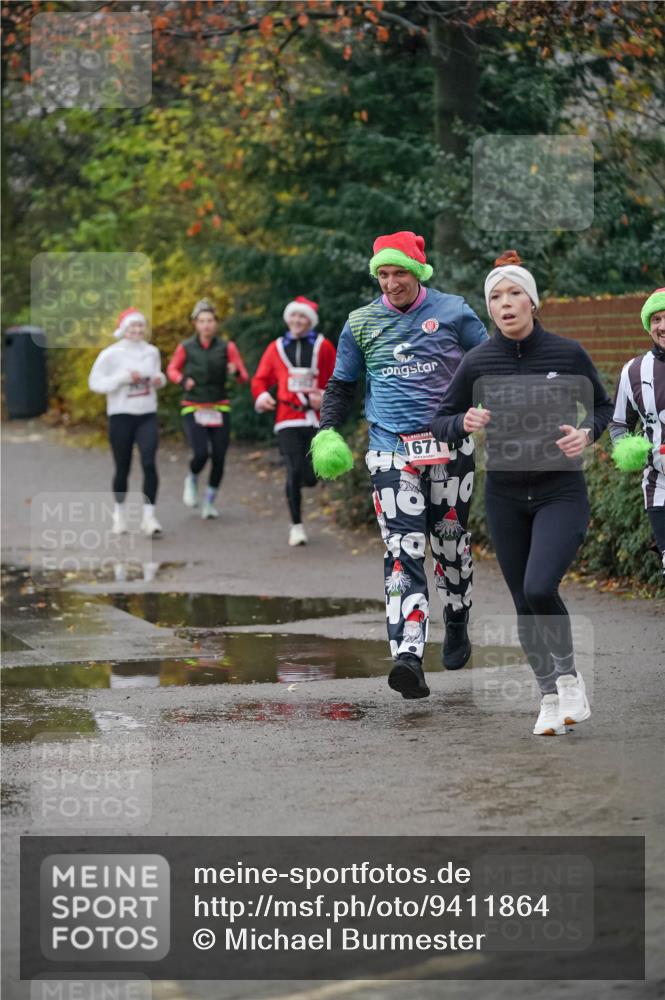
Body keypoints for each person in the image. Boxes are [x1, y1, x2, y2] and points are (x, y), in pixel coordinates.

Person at [431, 250, 614, 736]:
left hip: (560, 491)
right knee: (522, 602)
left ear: (532, 302)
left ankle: (570, 679)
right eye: (496, 296)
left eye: (514, 294)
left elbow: (602, 405)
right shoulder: (478, 361)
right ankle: (549, 696)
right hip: (506, 496)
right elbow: (441, 420)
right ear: (489, 308)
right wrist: (463, 422)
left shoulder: (567, 353)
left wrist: (588, 433)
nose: (505, 303)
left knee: (539, 587)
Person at [313, 231, 488, 699]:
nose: (391, 283)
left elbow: (488, 363)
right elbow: (342, 384)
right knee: (403, 546)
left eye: (399, 273)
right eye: (383, 275)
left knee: (449, 545)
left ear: (418, 273)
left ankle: (456, 617)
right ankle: (409, 653)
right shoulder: (361, 322)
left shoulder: (453, 312)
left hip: (450, 447)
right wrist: (328, 429)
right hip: (390, 449)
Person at [252, 296, 337, 546]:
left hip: (314, 418)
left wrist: (324, 397)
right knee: (293, 470)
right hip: (287, 417)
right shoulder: (276, 347)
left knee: (310, 476)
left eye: (303, 317)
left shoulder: (323, 346)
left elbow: (337, 379)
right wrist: (262, 396)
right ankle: (297, 526)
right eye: (294, 316)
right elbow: (260, 380)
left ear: (309, 321)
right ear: (288, 318)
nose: (297, 321)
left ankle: (305, 484)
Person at [167, 299, 248, 519]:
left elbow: (243, 376)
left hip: (219, 406)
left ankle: (209, 502)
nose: (206, 325)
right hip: (193, 406)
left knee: (220, 456)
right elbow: (172, 369)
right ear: (195, 323)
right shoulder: (186, 347)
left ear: (216, 323)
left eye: (210, 321)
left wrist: (235, 371)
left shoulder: (227, 347)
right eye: (202, 321)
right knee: (201, 452)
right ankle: (192, 478)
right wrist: (183, 380)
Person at [88, 308, 165, 536]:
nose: (137, 330)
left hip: (147, 414)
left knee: (149, 463)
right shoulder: (110, 354)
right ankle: (119, 515)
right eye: (133, 326)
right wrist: (121, 379)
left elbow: (158, 376)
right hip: (121, 415)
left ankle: (149, 517)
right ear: (123, 329)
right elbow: (95, 383)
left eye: (141, 326)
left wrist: (160, 380)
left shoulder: (152, 352)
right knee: (123, 467)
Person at [610, 288, 665, 579]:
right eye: (656, 319)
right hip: (659, 488)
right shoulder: (633, 371)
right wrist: (625, 449)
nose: (663, 326)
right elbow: (618, 423)